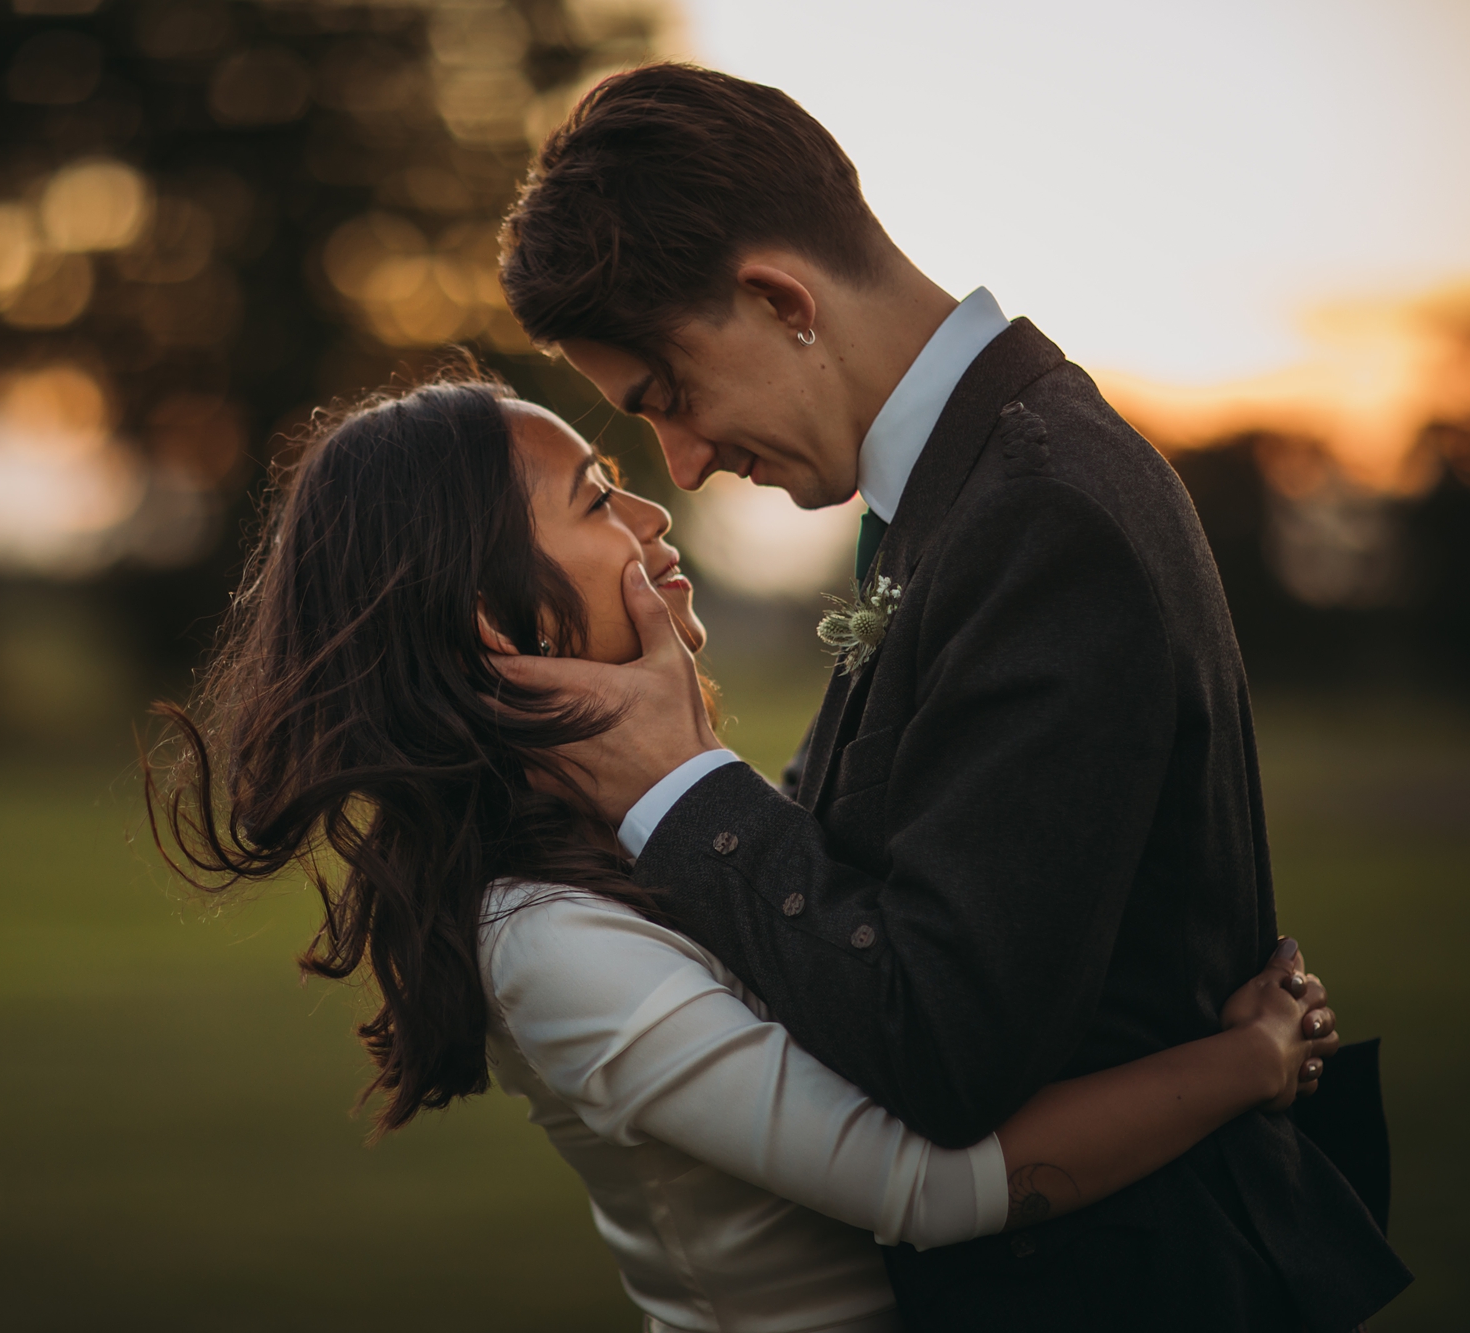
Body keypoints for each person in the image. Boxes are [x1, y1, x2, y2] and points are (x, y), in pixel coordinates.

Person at [493, 64, 1409, 1330]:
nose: (687, 463)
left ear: (777, 298)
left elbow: (939, 1048)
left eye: (671, 398)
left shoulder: (1038, 515)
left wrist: (677, 790)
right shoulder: (974, 491)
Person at [147, 377, 1341, 1333]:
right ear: (489, 621)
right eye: (596, 495)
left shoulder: (638, 840)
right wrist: (1249, 1060)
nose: (653, 513)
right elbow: (926, 1190)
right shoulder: (541, 938)